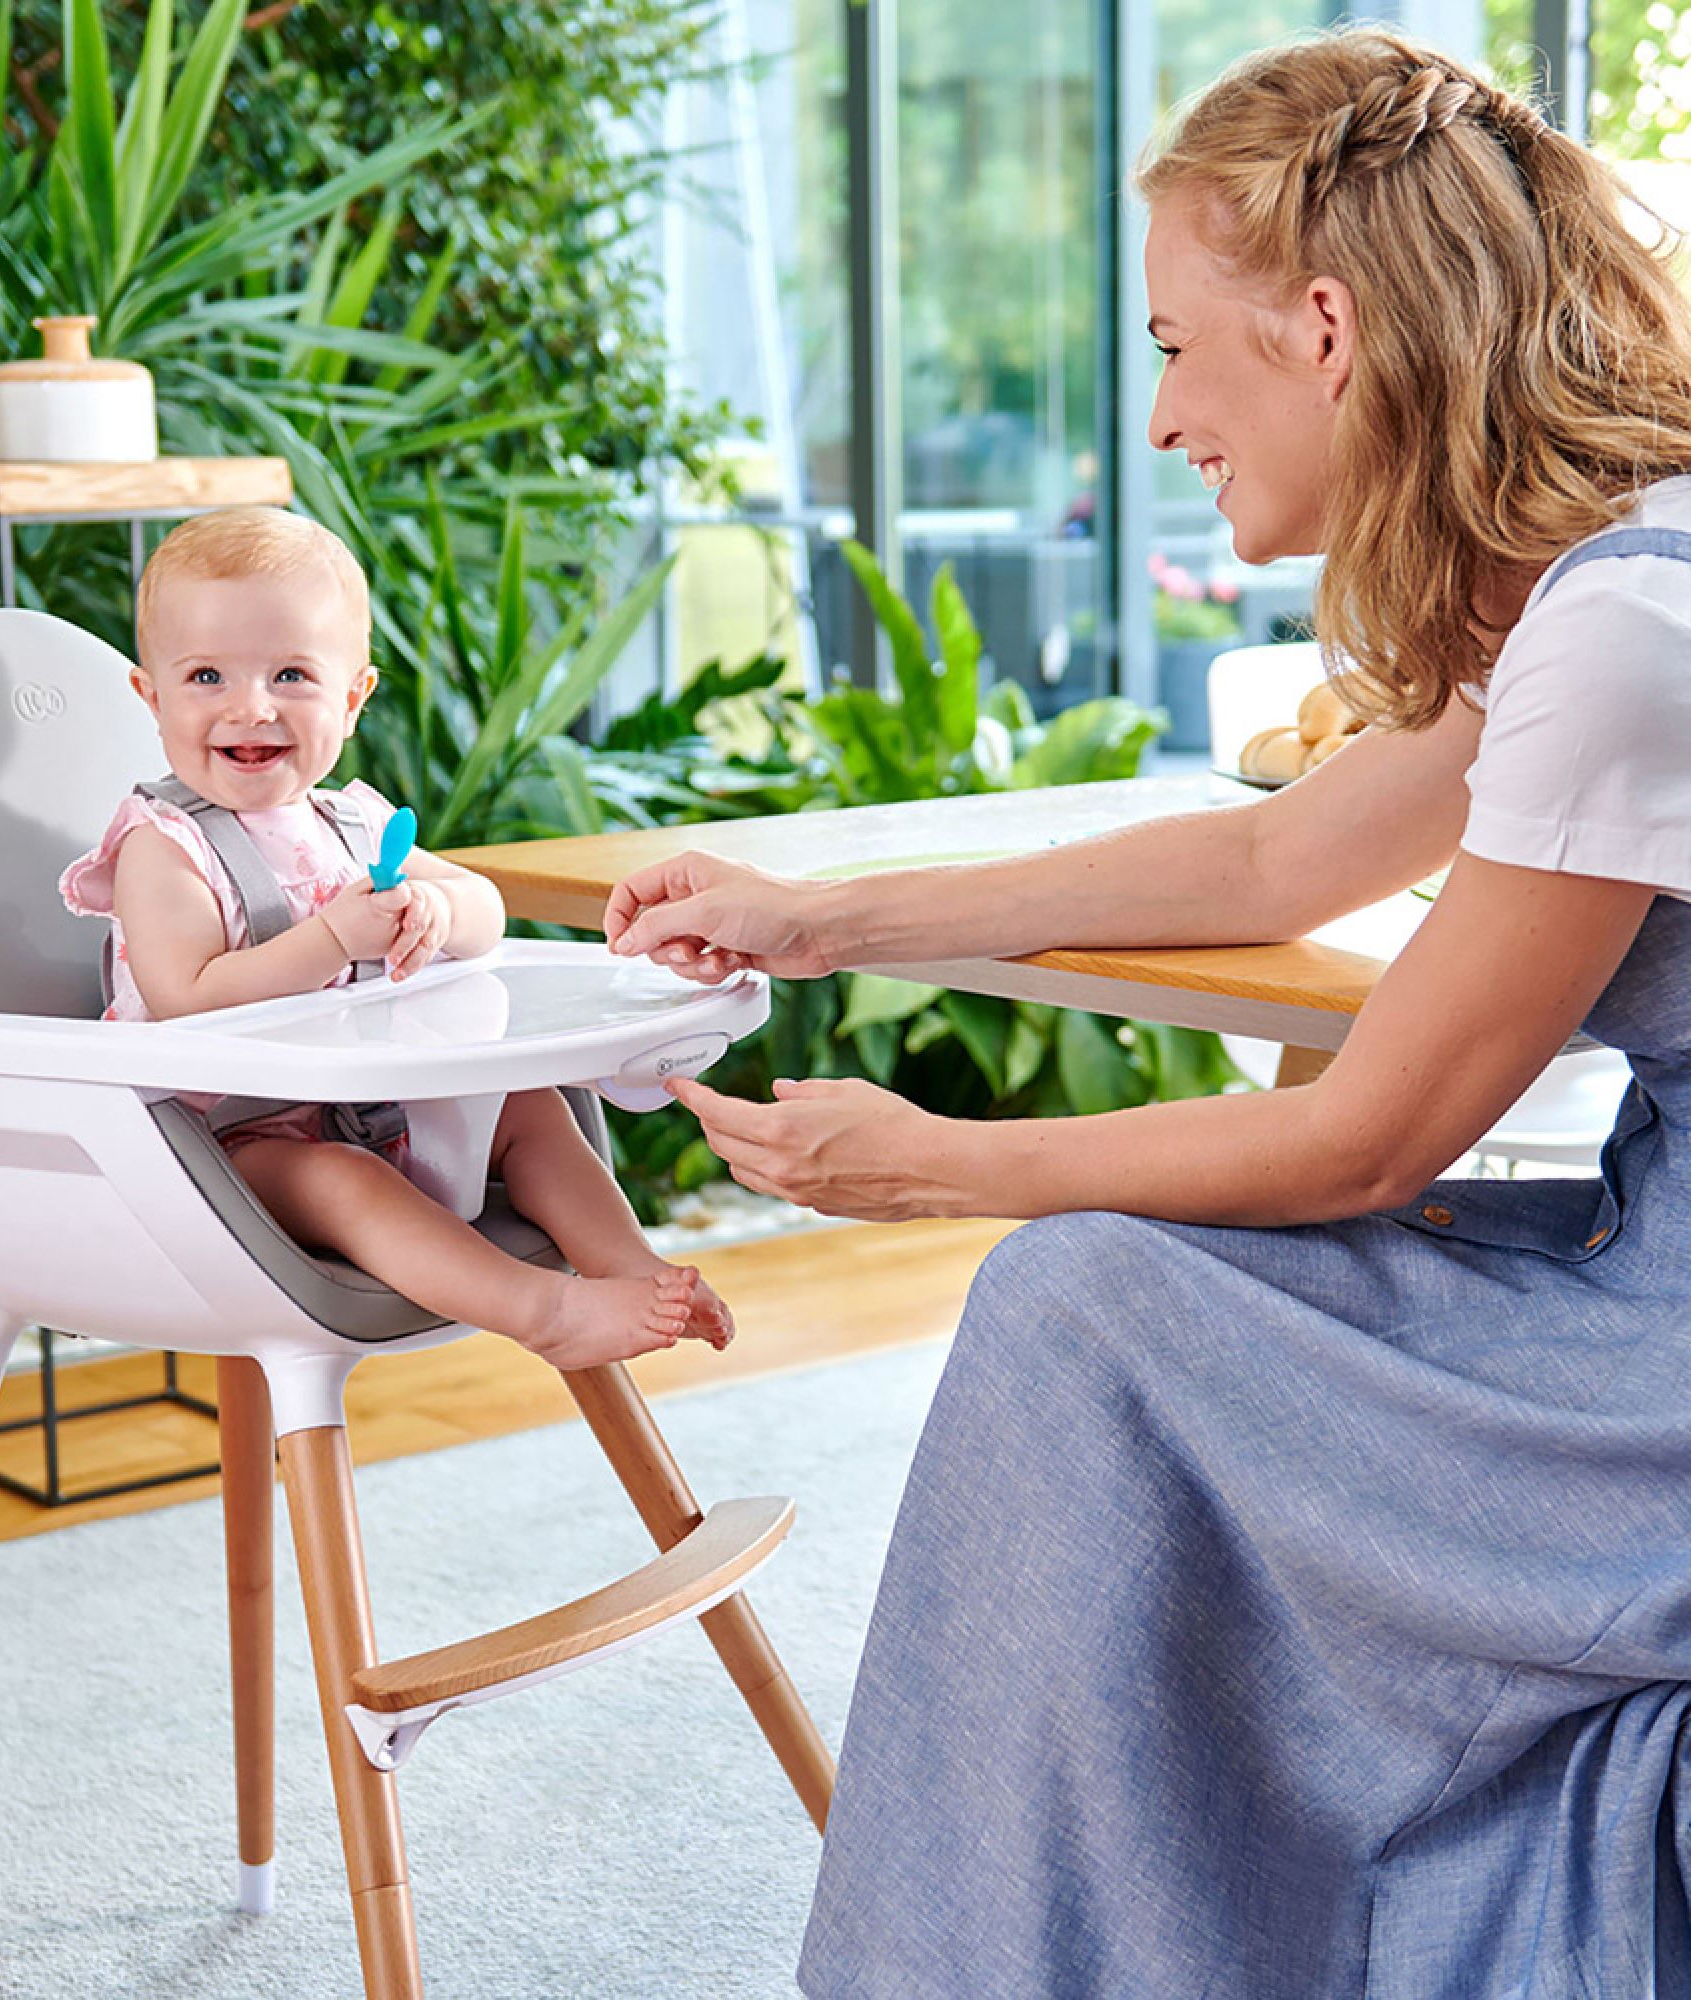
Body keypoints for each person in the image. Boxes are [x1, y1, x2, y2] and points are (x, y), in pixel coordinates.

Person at [607, 28, 1691, 1997]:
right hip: (1654, 1271)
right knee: (1106, 1304)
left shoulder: (1618, 631)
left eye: (1179, 341)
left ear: (1331, 328)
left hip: (1667, 1361)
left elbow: (1369, 1131)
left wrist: (941, 1170)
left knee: (1079, 1302)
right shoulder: (1596, 575)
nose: (1165, 407)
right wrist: (819, 917)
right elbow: (1271, 867)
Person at [60, 506, 732, 1370]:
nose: (251, 708)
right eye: (206, 678)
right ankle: (546, 1312)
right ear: (151, 697)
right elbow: (185, 996)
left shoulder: (352, 822)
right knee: (344, 1183)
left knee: (532, 1111)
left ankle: (634, 1274)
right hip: (223, 1149)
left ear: (353, 697)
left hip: (371, 1110)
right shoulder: (164, 846)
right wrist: (335, 938)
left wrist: (439, 914)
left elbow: (484, 910)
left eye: (292, 675)